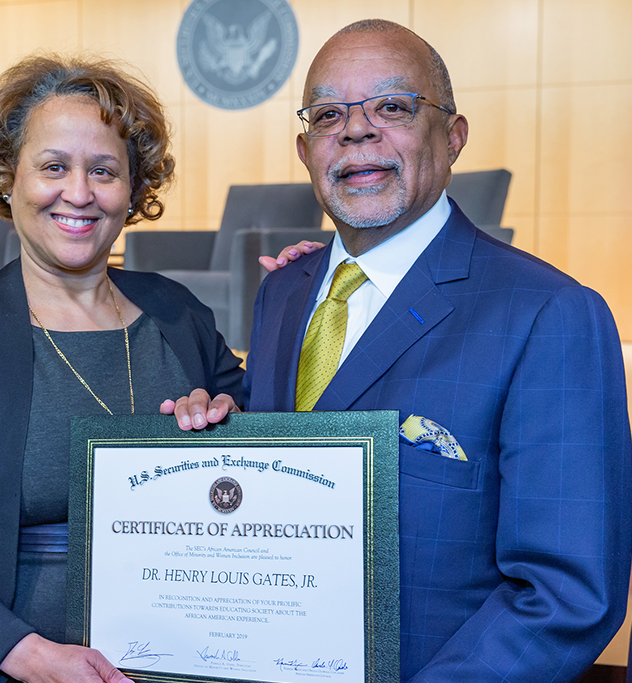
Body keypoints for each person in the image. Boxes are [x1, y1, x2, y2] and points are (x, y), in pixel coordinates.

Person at [165, 19, 632, 681]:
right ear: (306, 152)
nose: (356, 130)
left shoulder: (549, 315)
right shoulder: (283, 296)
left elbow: (565, 596)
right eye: (329, 114)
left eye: (393, 107)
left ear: (454, 137)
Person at [0, 55, 318, 682]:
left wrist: (231, 421)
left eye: (103, 171)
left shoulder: (177, 313)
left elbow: (272, 460)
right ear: (8, 178)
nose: (78, 194)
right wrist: (29, 657)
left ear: (133, 191)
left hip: (171, 665)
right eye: (54, 167)